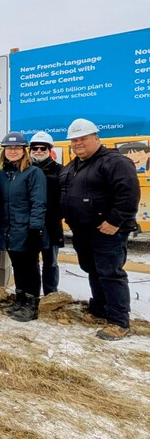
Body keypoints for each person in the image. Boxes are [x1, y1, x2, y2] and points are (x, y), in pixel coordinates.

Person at [60, 118, 140, 340]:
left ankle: (119, 321)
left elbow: (128, 194)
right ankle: (100, 308)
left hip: (107, 231)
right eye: (74, 140)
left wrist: (115, 221)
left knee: (111, 273)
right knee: (93, 270)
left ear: (96, 138)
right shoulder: (73, 166)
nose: (78, 143)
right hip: (82, 230)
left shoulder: (114, 162)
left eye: (83, 138)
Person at [0, 132, 47, 322]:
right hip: (9, 230)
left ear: (24, 150)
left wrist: (36, 228)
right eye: (9, 148)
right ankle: (20, 300)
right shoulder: (2, 175)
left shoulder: (34, 172)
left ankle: (31, 306)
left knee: (30, 268)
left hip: (26, 229)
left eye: (17, 148)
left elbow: (38, 202)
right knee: (18, 266)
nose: (13, 151)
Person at [29, 131, 64, 295]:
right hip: (30, 223)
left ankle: (51, 294)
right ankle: (33, 293)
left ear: (49, 149)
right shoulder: (26, 170)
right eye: (34, 148)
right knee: (31, 260)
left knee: (51, 261)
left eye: (42, 148)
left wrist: (60, 214)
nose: (38, 151)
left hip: (51, 224)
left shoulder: (60, 171)